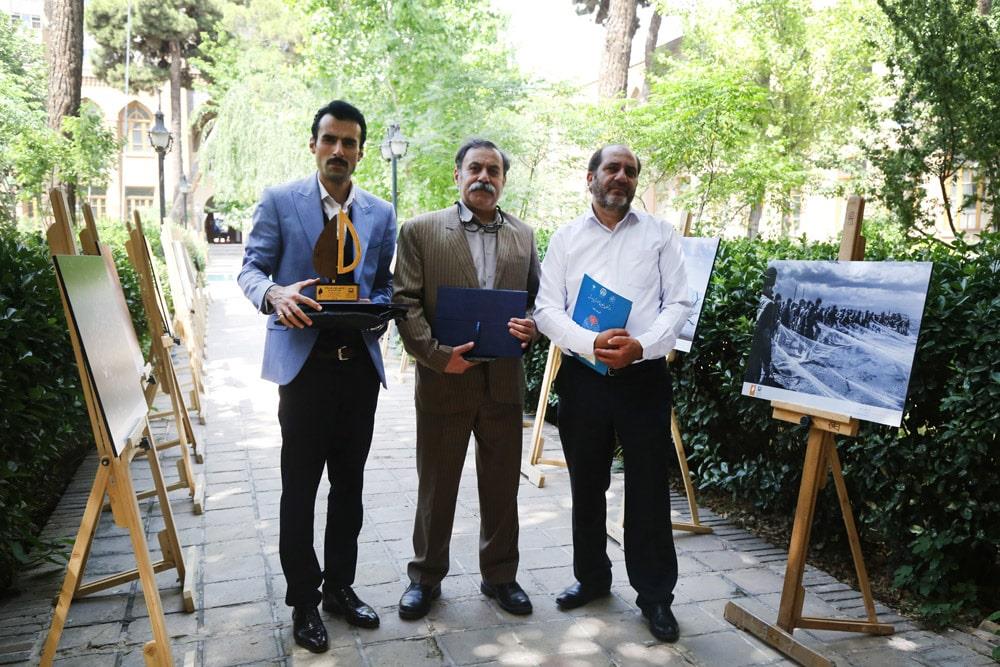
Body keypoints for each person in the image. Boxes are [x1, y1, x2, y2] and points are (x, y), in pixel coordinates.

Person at [237, 100, 396, 653]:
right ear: (313, 145)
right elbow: (250, 269)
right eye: (330, 140)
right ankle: (304, 600)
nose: (338, 150)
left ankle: (340, 589)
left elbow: (383, 283)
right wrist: (274, 294)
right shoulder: (280, 201)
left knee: (349, 487)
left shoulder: (380, 213)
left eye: (349, 142)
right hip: (303, 371)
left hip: (359, 371)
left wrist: (381, 310)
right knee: (300, 488)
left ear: (360, 152)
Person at [533, 144, 691, 643]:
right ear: (591, 178)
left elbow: (678, 303)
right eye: (612, 168)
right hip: (584, 376)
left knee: (648, 487)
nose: (621, 176)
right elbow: (546, 309)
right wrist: (591, 344)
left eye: (630, 171)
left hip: (643, 377)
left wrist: (642, 345)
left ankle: (656, 596)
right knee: (586, 482)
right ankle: (592, 577)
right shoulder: (566, 238)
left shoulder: (661, 235)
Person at [392, 138, 541, 620]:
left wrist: (532, 327)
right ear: (457, 175)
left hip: (503, 384)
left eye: (493, 171)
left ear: (503, 180)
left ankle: (500, 576)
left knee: (502, 487)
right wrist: (437, 356)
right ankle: (425, 577)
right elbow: (405, 301)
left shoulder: (524, 235)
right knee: (436, 487)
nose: (484, 178)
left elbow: (536, 302)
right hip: (444, 381)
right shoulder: (420, 231)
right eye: (475, 168)